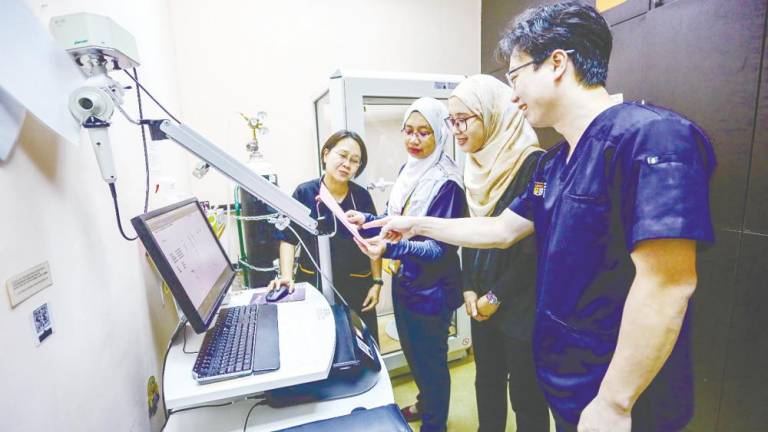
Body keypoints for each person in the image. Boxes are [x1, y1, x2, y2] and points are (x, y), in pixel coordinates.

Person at [363, 3, 716, 432]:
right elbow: (500, 230)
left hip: (625, 396)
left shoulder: (652, 137)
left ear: (556, 63)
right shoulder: (554, 163)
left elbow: (668, 283)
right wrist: (416, 224)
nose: (512, 96)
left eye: (515, 77)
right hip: (569, 381)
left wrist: (614, 403)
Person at [349, 97, 466, 432]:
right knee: (415, 357)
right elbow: (399, 221)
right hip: (405, 284)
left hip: (432, 293)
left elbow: (439, 249)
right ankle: (426, 405)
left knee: (431, 364)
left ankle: (434, 425)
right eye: (409, 132)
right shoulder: (408, 170)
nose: (414, 141)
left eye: (424, 133)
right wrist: (370, 220)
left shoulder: (447, 183)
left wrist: (389, 250)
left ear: (439, 135)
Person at [447, 74, 549, 432]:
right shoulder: (473, 166)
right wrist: (469, 289)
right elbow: (468, 236)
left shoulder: (534, 164)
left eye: (464, 120)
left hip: (519, 303)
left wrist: (496, 295)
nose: (457, 130)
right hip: (481, 301)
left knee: (526, 395)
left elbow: (534, 251)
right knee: (486, 382)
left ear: (492, 115)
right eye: (452, 121)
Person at [270, 130, 382, 343]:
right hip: (314, 282)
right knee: (319, 342)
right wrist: (287, 276)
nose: (347, 164)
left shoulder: (361, 197)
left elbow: (373, 241)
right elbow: (288, 238)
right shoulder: (304, 193)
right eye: (342, 155)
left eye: (355, 161)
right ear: (326, 154)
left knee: (363, 345)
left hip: (357, 286)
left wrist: (377, 282)